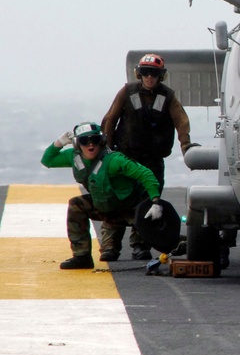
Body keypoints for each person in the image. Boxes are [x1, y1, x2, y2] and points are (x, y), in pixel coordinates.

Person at [100, 53, 196, 261]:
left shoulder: (167, 96)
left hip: (152, 160)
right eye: (145, 72)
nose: (149, 77)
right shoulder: (127, 92)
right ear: (139, 73)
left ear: (161, 76)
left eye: (154, 73)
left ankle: (140, 245)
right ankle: (110, 247)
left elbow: (181, 120)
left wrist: (186, 145)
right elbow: (110, 119)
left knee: (149, 203)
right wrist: (106, 150)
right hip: (125, 159)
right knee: (117, 200)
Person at [40, 122, 166, 270]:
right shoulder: (74, 158)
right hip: (105, 208)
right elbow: (47, 161)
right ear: (76, 144)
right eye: (84, 141)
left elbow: (146, 174)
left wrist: (155, 202)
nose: (90, 145)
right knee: (76, 204)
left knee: (164, 239)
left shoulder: (115, 160)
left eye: (94, 140)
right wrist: (59, 143)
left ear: (102, 141)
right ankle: (82, 256)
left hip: (131, 210)